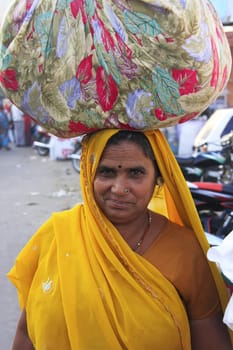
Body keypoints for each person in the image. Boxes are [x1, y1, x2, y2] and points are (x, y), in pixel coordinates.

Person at [8, 129, 233, 349]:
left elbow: (209, 340)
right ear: (88, 173)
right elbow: (27, 333)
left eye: (135, 173)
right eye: (106, 172)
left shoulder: (185, 250)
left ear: (158, 178)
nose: (118, 188)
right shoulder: (57, 234)